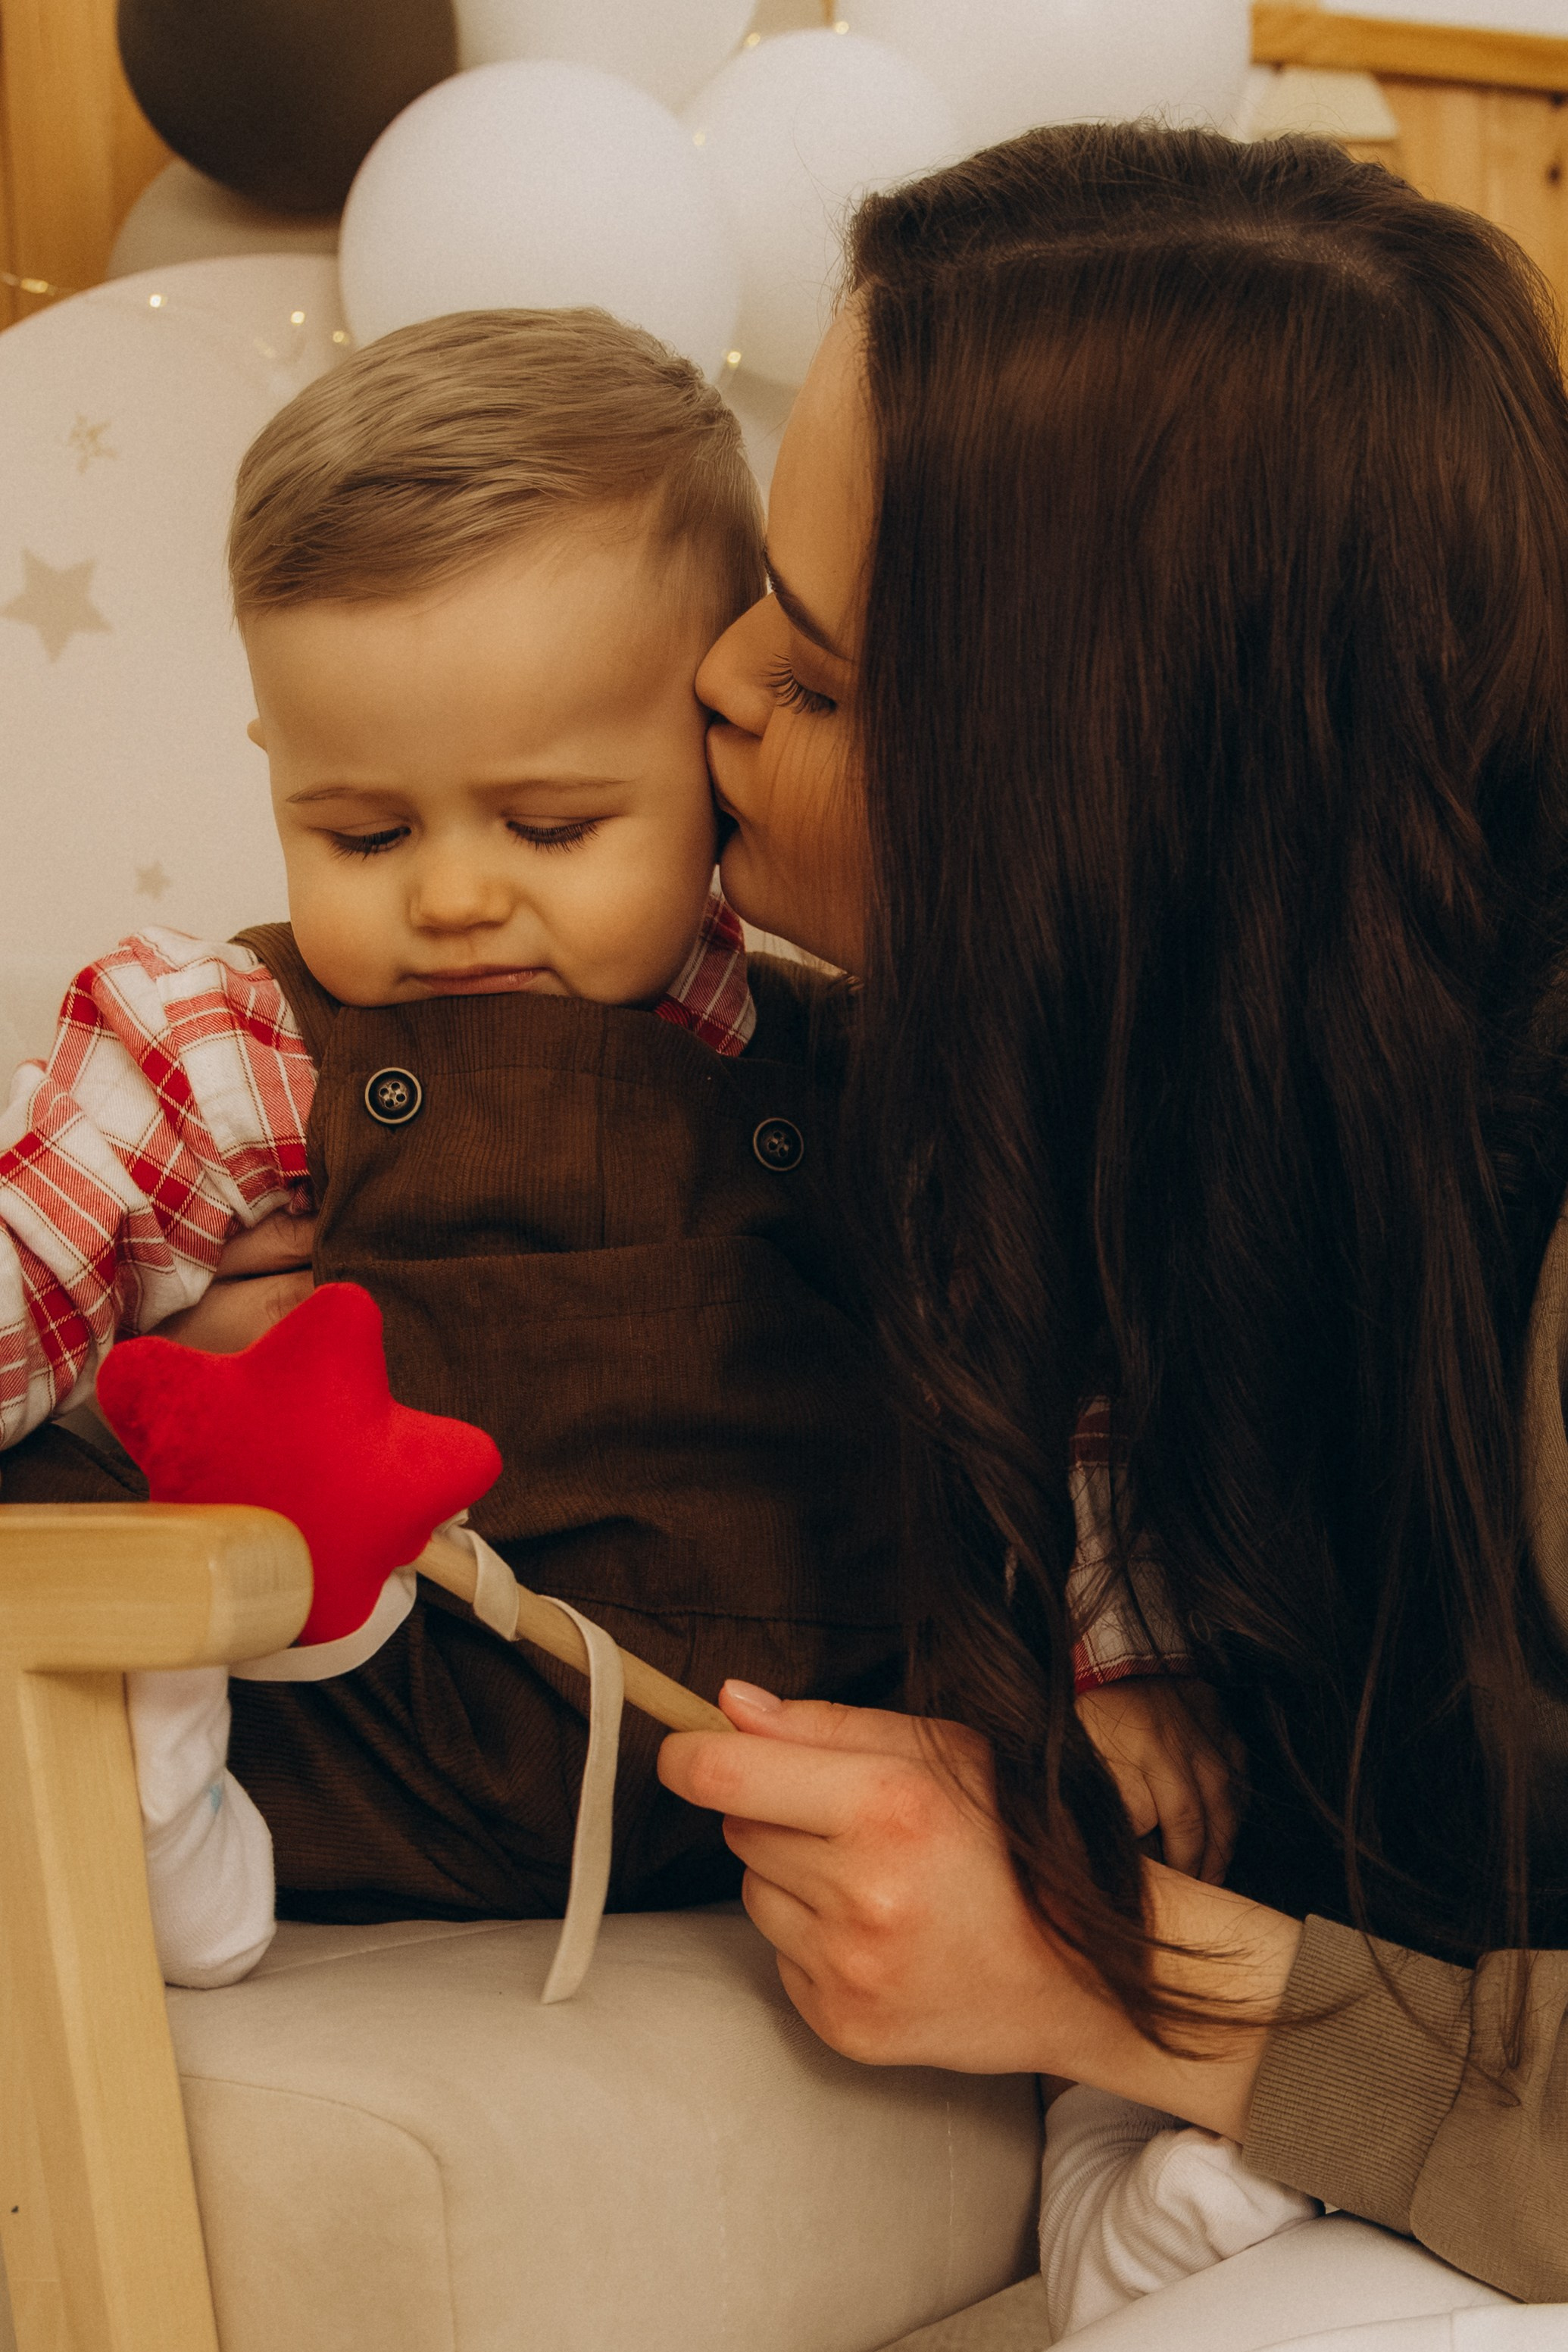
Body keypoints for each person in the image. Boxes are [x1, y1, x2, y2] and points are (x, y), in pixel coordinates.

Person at [0, 307, 1220, 1989]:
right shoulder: (232, 1044)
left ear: (713, 759)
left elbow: (1059, 1376)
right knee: (63, 1493)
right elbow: (34, 1254)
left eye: (553, 824)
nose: (452, 895)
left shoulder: (861, 1069)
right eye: (364, 830)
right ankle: (159, 1797)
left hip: (800, 1763)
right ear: (276, 766)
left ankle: (1115, 2078)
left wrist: (1125, 1662)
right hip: (356, 1734)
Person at [657, 123, 1568, 2335]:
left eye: (821, 677)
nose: (712, 684)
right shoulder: (1124, 1122)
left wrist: (1121, 1978)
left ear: (1111, 802)